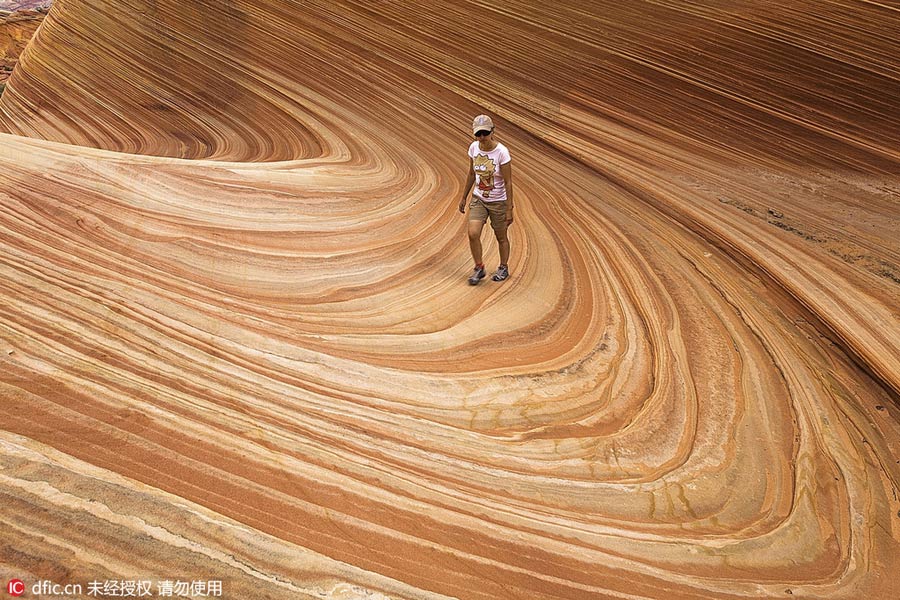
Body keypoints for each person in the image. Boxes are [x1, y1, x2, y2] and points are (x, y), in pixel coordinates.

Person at [458, 114, 514, 285]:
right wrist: (464, 196)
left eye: (485, 133)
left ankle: (503, 267)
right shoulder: (474, 148)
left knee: (501, 236)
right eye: (478, 134)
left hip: (498, 201)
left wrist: (509, 208)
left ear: (492, 132)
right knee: (473, 233)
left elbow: (508, 181)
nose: (481, 137)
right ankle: (479, 267)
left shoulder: (501, 152)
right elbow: (471, 173)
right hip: (479, 198)